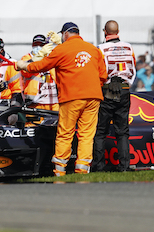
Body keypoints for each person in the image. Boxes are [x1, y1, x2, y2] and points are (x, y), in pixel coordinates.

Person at [17, 22, 107, 176]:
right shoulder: (94, 50)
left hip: (71, 97)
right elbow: (103, 76)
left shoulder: (61, 50)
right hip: (93, 98)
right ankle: (82, 170)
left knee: (65, 133)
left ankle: (59, 170)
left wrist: (23, 65)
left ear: (65, 34)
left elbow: (41, 66)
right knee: (86, 135)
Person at [92, 20, 136, 172]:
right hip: (124, 89)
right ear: (118, 31)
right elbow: (133, 67)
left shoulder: (100, 48)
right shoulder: (129, 47)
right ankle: (124, 166)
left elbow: (97, 70)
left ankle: (99, 166)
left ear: (105, 32)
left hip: (107, 90)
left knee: (100, 131)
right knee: (122, 131)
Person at [20, 34, 59, 111]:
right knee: (32, 123)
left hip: (53, 102)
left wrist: (60, 43)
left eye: (41, 45)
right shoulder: (27, 58)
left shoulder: (51, 57)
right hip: (34, 103)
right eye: (35, 44)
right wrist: (39, 56)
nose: (38, 47)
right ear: (32, 45)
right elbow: (25, 71)